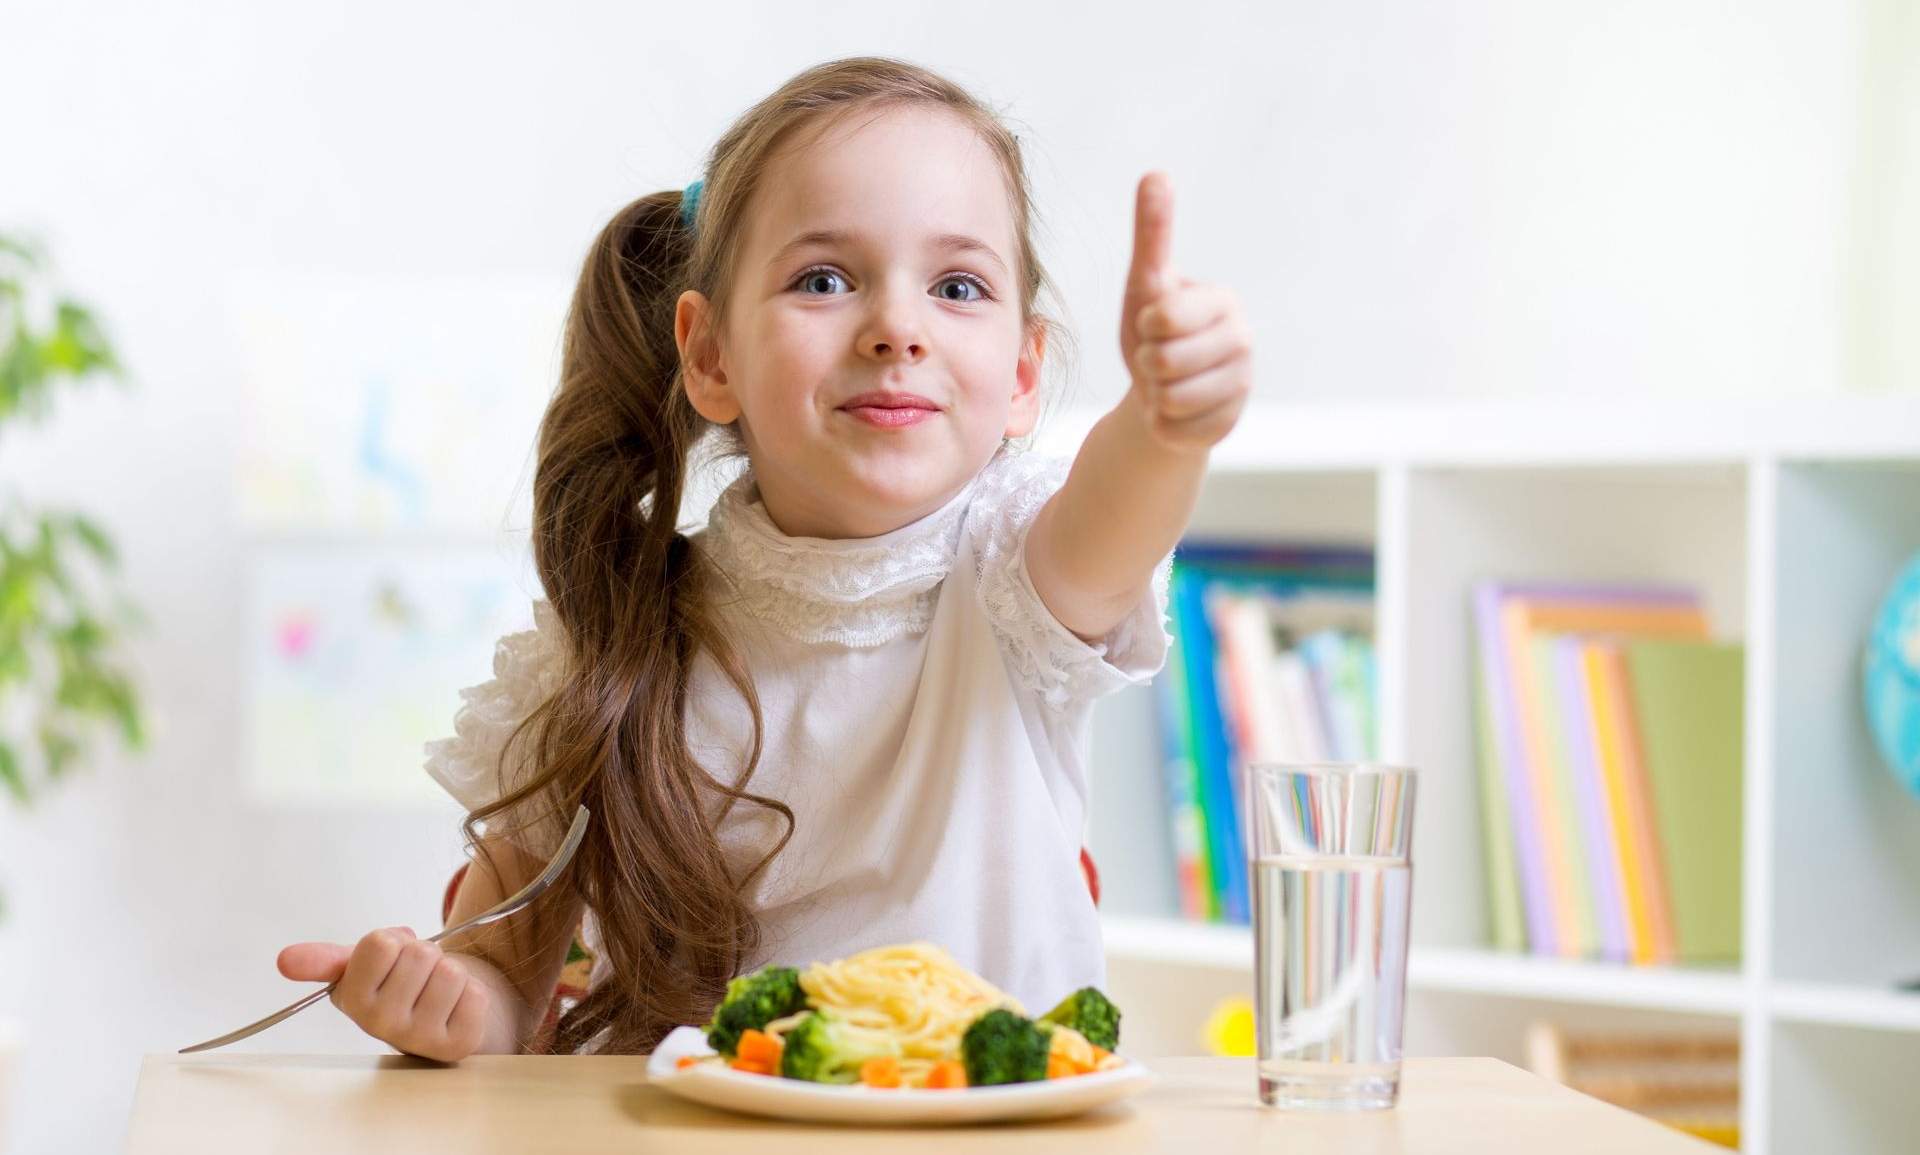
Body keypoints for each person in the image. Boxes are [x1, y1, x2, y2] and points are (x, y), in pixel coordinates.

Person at [276, 56, 1251, 1061]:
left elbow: (1115, 521)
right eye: (824, 280)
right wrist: (443, 1002)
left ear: (1021, 372)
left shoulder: (1018, 576)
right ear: (709, 355)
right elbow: (502, 985)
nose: (897, 329)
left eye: (957, 286)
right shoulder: (613, 634)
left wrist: (1169, 425)